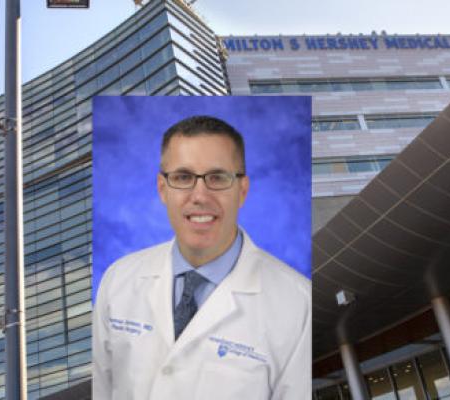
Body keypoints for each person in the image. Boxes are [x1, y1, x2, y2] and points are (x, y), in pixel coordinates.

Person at [92, 115, 311, 400]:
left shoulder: (296, 303)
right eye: (183, 177)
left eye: (217, 178)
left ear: (241, 190)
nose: (200, 195)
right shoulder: (118, 280)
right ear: (162, 189)